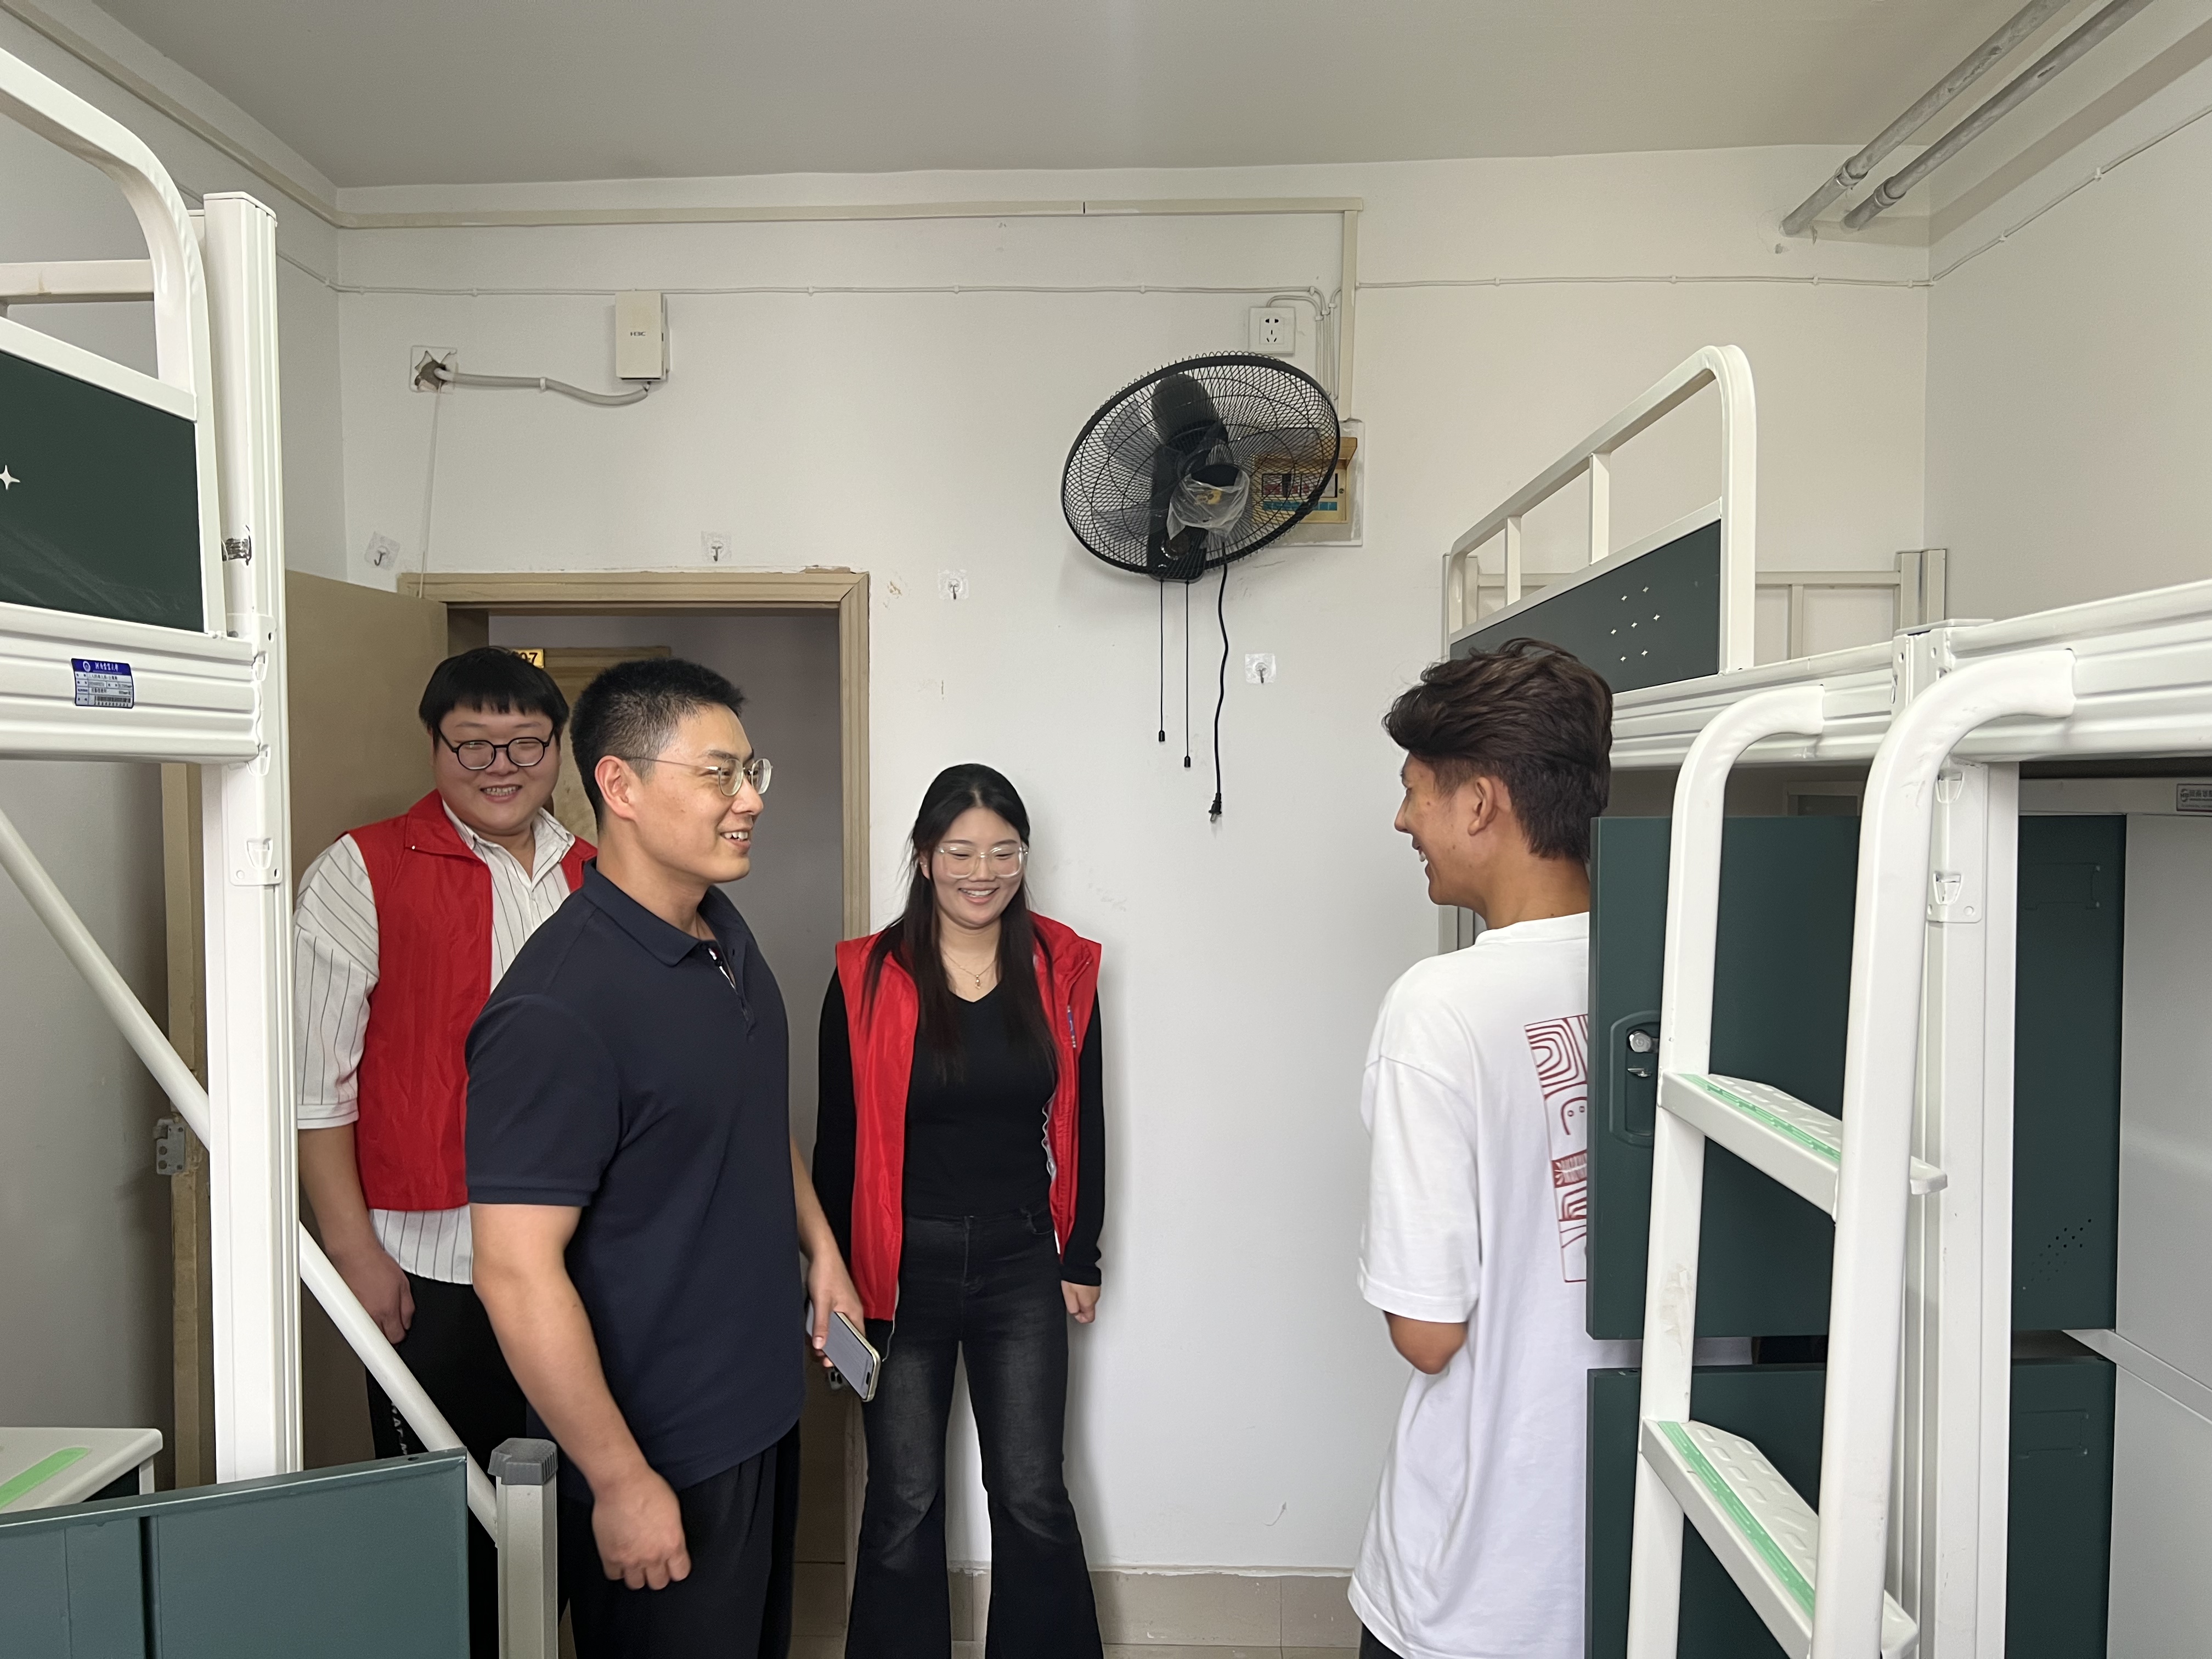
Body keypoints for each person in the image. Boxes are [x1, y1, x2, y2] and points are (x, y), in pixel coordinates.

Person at [465, 657, 864, 1658]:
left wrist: (821, 1250)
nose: (751, 799)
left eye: (750, 771)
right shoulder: (557, 1008)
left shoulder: (723, 934)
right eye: (721, 774)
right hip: (662, 1449)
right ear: (621, 786)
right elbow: (514, 1272)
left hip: (761, 1408)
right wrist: (619, 1480)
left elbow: (744, 1113)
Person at [294, 646, 588, 1658]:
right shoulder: (362, 869)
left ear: (559, 750)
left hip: (582, 1256)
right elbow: (315, 1089)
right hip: (428, 1260)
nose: (501, 766)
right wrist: (354, 1253)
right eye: (473, 744)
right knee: (447, 1514)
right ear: (435, 745)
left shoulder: (598, 875)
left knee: (572, 1501)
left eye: (526, 744)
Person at [1350, 639, 1636, 1659]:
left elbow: (1429, 1332)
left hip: (1480, 1579)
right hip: (1645, 1553)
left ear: (1480, 804)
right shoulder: (1680, 967)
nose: (1403, 821)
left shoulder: (1441, 1007)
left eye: (1414, 791)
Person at [814, 763, 1106, 1659]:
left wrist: (1081, 1254)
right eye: (961, 851)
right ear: (924, 857)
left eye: (1004, 851)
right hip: (898, 1270)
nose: (984, 872)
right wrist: (830, 1278)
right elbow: (837, 1141)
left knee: (1032, 1493)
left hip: (1022, 1262)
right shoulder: (864, 974)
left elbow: (1086, 1115)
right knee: (903, 1501)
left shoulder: (1061, 966)